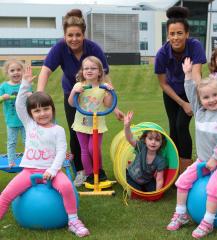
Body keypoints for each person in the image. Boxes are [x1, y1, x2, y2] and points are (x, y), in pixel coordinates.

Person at [37, 9, 124, 187]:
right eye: (70, 35)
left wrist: (113, 107)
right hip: (73, 93)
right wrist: (40, 92)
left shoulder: (93, 48)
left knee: (94, 137)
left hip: (95, 94)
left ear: (83, 34)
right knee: (77, 134)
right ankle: (81, 171)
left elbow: (105, 75)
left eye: (78, 35)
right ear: (65, 35)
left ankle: (98, 171)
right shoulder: (60, 48)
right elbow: (46, 70)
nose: (74, 39)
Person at [0, 66, 90, 238]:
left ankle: (73, 220)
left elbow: (61, 151)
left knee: (66, 187)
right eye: (37, 110)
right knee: (6, 194)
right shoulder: (29, 124)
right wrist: (25, 83)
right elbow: (20, 104)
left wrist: (52, 170)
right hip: (29, 171)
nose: (42, 114)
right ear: (31, 114)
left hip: (53, 172)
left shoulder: (58, 130)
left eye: (46, 109)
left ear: (52, 109)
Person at [167, 58, 217, 239]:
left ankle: (208, 222)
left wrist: (215, 159)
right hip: (203, 161)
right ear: (200, 100)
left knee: (213, 188)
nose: (211, 100)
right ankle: (181, 214)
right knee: (181, 182)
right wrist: (188, 75)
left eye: (215, 95)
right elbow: (191, 92)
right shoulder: (199, 112)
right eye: (206, 97)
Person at [154, 6, 207, 174]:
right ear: (167, 35)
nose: (175, 37)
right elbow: (163, 84)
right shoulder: (162, 53)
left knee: (181, 125)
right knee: (173, 128)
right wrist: (182, 103)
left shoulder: (195, 46)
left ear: (187, 34)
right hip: (171, 93)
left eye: (179, 33)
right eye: (172, 34)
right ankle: (174, 168)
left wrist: (200, 96)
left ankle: (187, 170)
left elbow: (197, 73)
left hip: (190, 90)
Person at [68, 56, 114, 184]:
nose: (89, 70)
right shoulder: (79, 85)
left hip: (97, 123)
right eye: (86, 68)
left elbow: (108, 104)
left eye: (93, 68)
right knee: (84, 149)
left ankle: (99, 171)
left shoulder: (103, 87)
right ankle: (89, 174)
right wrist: (73, 92)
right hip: (81, 122)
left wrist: (110, 93)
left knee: (93, 148)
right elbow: (71, 103)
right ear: (82, 71)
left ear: (99, 71)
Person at [123, 111, 167, 192]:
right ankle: (137, 187)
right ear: (145, 140)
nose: (153, 142)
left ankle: (143, 189)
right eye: (150, 139)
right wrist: (127, 126)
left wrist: (157, 193)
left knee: (153, 190)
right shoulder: (141, 147)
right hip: (131, 176)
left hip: (146, 181)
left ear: (161, 143)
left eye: (157, 140)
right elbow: (130, 139)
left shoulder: (160, 160)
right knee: (136, 191)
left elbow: (159, 179)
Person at [0, 59, 31, 167]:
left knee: (28, 141)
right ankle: (11, 161)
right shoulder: (4, 86)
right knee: (11, 142)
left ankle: (29, 160)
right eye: (12, 70)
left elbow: (32, 101)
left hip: (25, 121)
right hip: (11, 121)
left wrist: (30, 95)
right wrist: (2, 98)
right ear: (7, 73)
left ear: (22, 71)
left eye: (18, 70)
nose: (16, 72)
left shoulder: (25, 84)